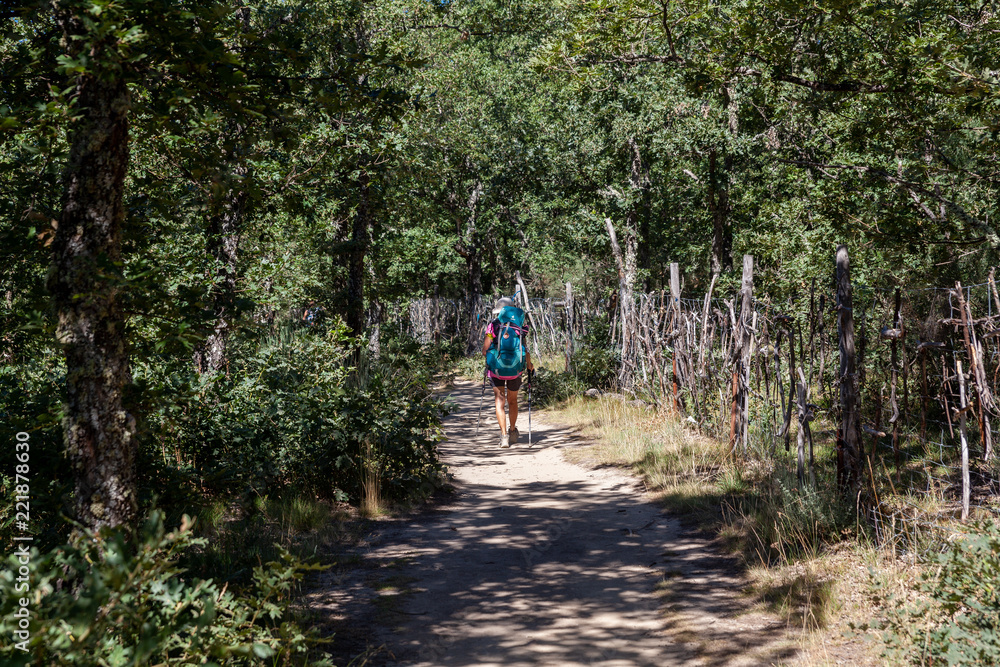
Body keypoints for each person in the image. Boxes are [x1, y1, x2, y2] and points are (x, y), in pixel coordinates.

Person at [482, 297, 534, 448]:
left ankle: (504, 436)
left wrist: (492, 358)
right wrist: (529, 365)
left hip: (496, 370)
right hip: (515, 370)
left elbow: (485, 350)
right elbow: (524, 349)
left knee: (500, 401)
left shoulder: (493, 326)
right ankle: (513, 431)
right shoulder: (518, 326)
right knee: (512, 400)